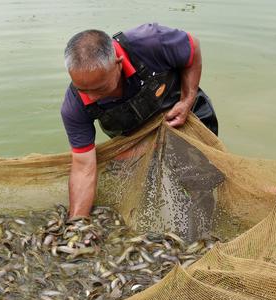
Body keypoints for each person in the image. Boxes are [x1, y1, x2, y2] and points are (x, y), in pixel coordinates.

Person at [61, 24, 219, 218]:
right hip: (137, 139)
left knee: (199, 178)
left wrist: (187, 99)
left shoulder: (150, 42)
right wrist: (76, 223)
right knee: (144, 186)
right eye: (83, 90)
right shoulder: (74, 107)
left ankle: (204, 225)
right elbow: (83, 167)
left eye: (100, 89)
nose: (91, 98)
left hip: (183, 117)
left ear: (118, 64)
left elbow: (192, 47)